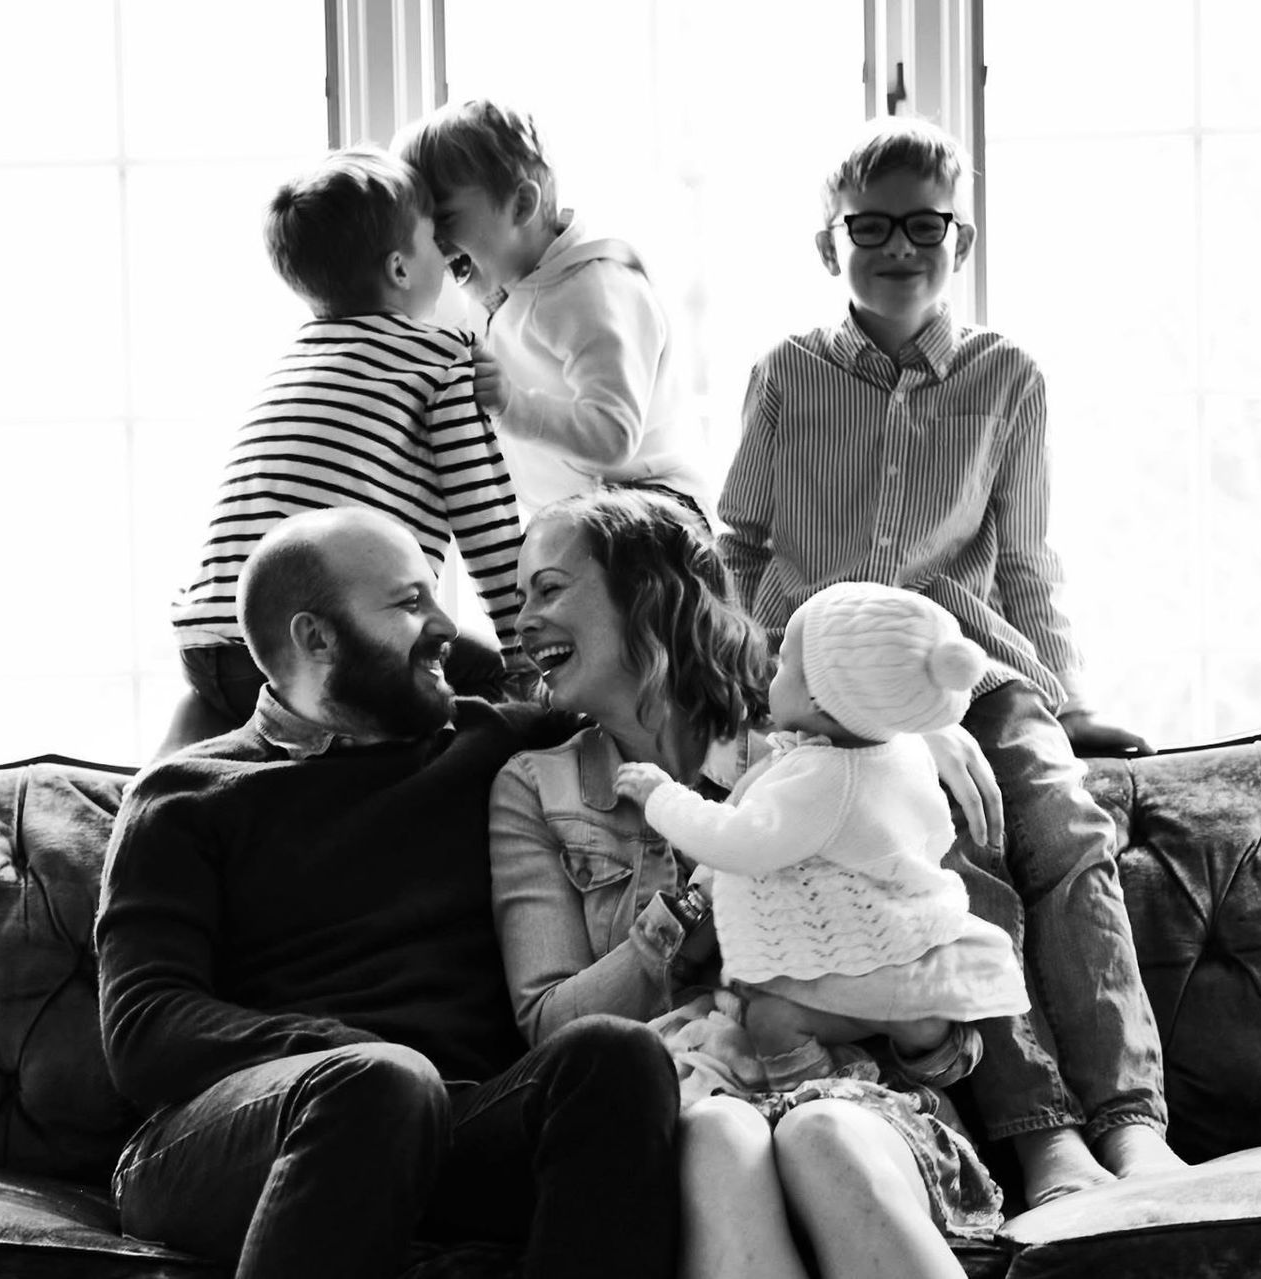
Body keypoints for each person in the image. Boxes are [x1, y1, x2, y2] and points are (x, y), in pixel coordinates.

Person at [715, 114, 1184, 1205]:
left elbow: (1028, 561)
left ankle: (1131, 1122)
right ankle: (1041, 1135)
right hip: (830, 685)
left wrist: (1062, 704)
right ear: (828, 242)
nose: (897, 247)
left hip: (965, 662)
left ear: (960, 242)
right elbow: (735, 543)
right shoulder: (785, 373)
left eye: (926, 224)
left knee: (1063, 828)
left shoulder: (1008, 375)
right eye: (868, 225)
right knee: (947, 849)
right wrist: (750, 694)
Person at [100, 506, 681, 1278]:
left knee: (616, 1055)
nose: (446, 625)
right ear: (316, 638)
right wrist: (347, 1050)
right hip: (244, 1135)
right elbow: (145, 1024)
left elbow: (651, 693)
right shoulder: (187, 794)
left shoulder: (492, 745)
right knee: (384, 1085)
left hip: (458, 1122)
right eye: (411, 604)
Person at [491, 488, 1008, 1279]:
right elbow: (554, 1031)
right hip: (690, 1104)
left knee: (822, 1132)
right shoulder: (536, 787)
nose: (520, 619)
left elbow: (941, 994)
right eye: (519, 593)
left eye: (549, 588)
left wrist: (927, 1033)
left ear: (646, 594)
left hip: (859, 1099)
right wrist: (696, 894)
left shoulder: (829, 750)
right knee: (721, 1140)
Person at [163, 146, 525, 755]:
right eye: (435, 240)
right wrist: (525, 650)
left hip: (209, 646)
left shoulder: (291, 362)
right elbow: (484, 516)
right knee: (482, 677)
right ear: (401, 270)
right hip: (316, 654)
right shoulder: (440, 358)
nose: (449, 253)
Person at [612, 582, 1030, 1094]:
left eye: (785, 662)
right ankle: (924, 1040)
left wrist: (661, 797)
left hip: (853, 965)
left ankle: (815, 1098)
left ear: (821, 696)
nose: (771, 670)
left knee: (771, 1018)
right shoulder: (897, 749)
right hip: (900, 939)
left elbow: (737, 843)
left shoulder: (823, 777)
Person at [392, 99, 708, 515]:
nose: (434, 242)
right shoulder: (501, 289)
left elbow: (614, 434)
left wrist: (513, 406)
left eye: (446, 218)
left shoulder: (592, 292)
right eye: (426, 226)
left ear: (521, 206)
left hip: (654, 513)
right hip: (580, 519)